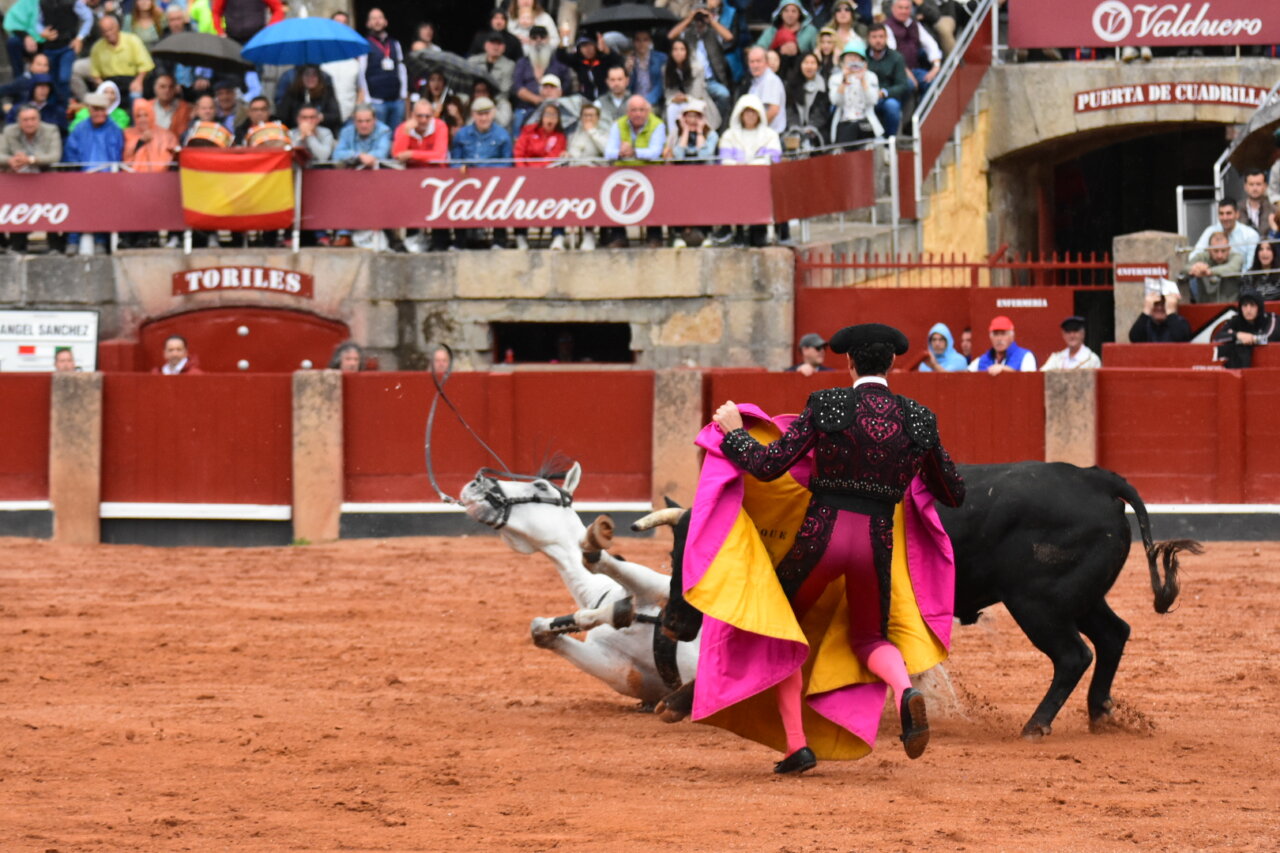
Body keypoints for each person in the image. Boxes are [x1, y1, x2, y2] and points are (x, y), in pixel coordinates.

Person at [701, 322, 965, 774]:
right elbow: (953, 492)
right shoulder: (920, 419)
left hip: (821, 536)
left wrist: (733, 433)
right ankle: (905, 691)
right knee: (870, 638)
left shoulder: (828, 404)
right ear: (893, 363)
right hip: (876, 543)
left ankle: (796, 746)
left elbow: (768, 466)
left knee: (781, 627)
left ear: (848, 362)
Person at [603, 95, 667, 248]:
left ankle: (654, 235)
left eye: (641, 110)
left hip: (650, 172)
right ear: (628, 112)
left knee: (655, 193)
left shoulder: (657, 124)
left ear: (648, 111)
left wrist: (635, 152)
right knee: (615, 195)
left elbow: (655, 152)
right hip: (623, 171)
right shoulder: (618, 124)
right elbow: (608, 152)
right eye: (634, 110)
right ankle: (618, 236)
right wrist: (620, 152)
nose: (638, 114)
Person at [450, 96, 513, 249]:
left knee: (500, 199)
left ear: (493, 113)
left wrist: (487, 172)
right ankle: (460, 241)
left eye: (486, 114)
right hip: (467, 182)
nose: (483, 118)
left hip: (495, 183)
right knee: (458, 197)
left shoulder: (502, 135)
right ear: (473, 115)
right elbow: (455, 161)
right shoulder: (462, 135)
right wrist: (461, 168)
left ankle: (499, 240)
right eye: (480, 114)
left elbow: (507, 163)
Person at [719, 94, 781, 247]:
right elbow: (725, 159)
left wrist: (750, 167)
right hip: (735, 181)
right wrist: (739, 168)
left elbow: (772, 157)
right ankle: (737, 232)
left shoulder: (770, 135)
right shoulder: (729, 135)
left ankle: (760, 231)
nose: (750, 116)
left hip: (761, 182)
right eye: (747, 112)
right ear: (740, 114)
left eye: (754, 112)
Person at [0, 104, 64, 254]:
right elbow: (1, 154)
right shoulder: (9, 131)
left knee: (51, 210)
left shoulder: (51, 130)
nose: (29, 123)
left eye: (33, 119)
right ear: (19, 122)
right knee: (17, 208)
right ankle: (17, 245)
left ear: (39, 119)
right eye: (25, 120)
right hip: (19, 179)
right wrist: (10, 160)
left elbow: (54, 156)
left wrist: (30, 160)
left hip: (45, 177)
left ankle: (54, 245)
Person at [332, 105, 396, 249]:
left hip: (378, 179)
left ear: (375, 120)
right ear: (354, 121)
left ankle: (387, 237)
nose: (364, 125)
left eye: (367, 121)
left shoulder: (384, 130)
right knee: (341, 191)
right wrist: (359, 156)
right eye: (360, 121)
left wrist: (366, 158)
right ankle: (344, 234)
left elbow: (381, 153)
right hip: (351, 178)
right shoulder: (347, 131)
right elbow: (337, 154)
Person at [393, 100, 450, 252]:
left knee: (439, 207)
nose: (423, 120)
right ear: (412, 115)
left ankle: (440, 243)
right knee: (412, 208)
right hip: (412, 178)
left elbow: (439, 155)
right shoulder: (404, 128)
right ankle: (412, 241)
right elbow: (398, 154)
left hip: (437, 176)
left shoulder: (440, 126)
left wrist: (411, 154)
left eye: (427, 116)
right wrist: (406, 133)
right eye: (419, 116)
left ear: (432, 115)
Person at [668, 2, 734, 125]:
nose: (699, 21)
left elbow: (729, 37)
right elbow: (671, 36)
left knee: (724, 94)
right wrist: (689, 19)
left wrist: (711, 20)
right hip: (691, 81)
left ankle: (718, 126)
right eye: (697, 17)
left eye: (701, 17)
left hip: (710, 80)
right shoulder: (687, 34)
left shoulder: (713, 32)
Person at [664, 100, 718, 249]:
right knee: (677, 200)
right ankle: (677, 234)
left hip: (704, 179)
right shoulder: (675, 134)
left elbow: (704, 155)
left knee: (704, 201)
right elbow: (678, 156)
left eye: (697, 116)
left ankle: (706, 233)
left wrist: (699, 132)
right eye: (690, 116)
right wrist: (685, 133)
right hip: (680, 179)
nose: (693, 120)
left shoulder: (711, 135)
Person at [513, 102, 567, 250]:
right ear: (541, 117)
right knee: (519, 198)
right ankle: (520, 235)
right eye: (548, 114)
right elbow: (519, 153)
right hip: (526, 177)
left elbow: (553, 158)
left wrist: (539, 170)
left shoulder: (560, 137)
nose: (550, 118)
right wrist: (525, 173)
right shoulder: (528, 132)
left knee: (560, 196)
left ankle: (558, 235)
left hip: (549, 179)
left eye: (554, 115)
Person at [34, 0, 93, 106]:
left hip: (67, 46)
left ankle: (66, 105)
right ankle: (55, 106)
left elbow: (88, 17)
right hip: (50, 48)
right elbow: (37, 22)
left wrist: (80, 37)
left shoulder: (73, 2)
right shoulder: (42, 2)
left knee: (64, 78)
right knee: (51, 80)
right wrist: (42, 32)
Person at [358, 7, 408, 133]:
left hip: (396, 100)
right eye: (373, 18)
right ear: (368, 23)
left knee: (397, 136)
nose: (377, 21)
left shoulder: (395, 43)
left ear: (385, 22)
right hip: (376, 101)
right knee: (380, 135)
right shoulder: (364, 44)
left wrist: (403, 93)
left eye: (380, 18)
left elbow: (402, 68)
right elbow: (361, 72)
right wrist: (367, 98)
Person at [511, 25, 570, 128]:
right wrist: (537, 99)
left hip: (555, 108)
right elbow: (517, 86)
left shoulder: (558, 61)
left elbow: (567, 83)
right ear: (529, 40)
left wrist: (555, 95)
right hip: (526, 107)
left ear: (548, 39)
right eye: (534, 38)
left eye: (542, 37)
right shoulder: (522, 63)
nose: (538, 40)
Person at [89, 13, 153, 105]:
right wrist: (103, 87)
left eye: (111, 29)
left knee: (136, 93)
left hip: (131, 80)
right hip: (110, 83)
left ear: (118, 27)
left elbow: (146, 65)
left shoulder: (133, 40)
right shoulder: (97, 48)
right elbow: (95, 74)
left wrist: (138, 81)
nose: (108, 33)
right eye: (105, 31)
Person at [662, 37, 721, 134]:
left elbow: (697, 93)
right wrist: (674, 98)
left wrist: (686, 98)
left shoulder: (697, 68)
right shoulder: (666, 70)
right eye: (675, 49)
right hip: (677, 101)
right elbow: (668, 91)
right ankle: (673, 137)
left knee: (690, 108)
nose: (678, 53)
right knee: (672, 108)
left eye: (682, 49)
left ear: (687, 52)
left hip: (695, 99)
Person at [884, 0, 942, 97]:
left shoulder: (914, 24)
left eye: (907, 8)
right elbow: (892, 55)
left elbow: (930, 43)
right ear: (893, 9)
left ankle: (926, 105)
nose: (904, 11)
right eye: (900, 8)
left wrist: (936, 67)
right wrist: (909, 75)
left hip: (914, 68)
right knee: (910, 85)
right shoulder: (887, 26)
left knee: (932, 81)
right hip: (897, 73)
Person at [828, 42, 882, 145]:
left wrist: (863, 81)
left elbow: (873, 101)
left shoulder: (871, 77)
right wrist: (844, 81)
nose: (853, 60)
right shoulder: (835, 78)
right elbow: (836, 101)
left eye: (856, 57)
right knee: (848, 129)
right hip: (844, 120)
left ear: (863, 61)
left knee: (856, 127)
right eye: (849, 57)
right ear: (843, 60)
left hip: (865, 121)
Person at [865, 22, 910, 137]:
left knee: (892, 106)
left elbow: (902, 85)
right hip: (865, 96)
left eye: (881, 37)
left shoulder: (896, 57)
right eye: (874, 37)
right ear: (868, 39)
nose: (878, 40)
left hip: (887, 97)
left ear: (886, 38)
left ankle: (890, 140)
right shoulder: (862, 57)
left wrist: (884, 92)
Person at [1212, 288, 1275, 369]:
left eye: (1252, 305)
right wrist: (1237, 335)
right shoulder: (1236, 320)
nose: (1248, 310)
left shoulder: (1271, 319)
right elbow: (1217, 337)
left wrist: (1251, 338)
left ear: (1259, 307)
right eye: (1245, 306)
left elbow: (1269, 337)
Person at [756, 0, 817, 79]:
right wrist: (777, 51)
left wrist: (798, 49)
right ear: (781, 13)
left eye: (794, 11)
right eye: (786, 11)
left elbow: (817, 51)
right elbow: (758, 50)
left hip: (803, 75)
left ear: (799, 13)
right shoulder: (772, 31)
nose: (790, 14)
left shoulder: (810, 31)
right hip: (776, 75)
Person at [1194, 198, 1260, 270]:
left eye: (1228, 213)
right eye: (1221, 214)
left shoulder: (1250, 235)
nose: (1225, 218)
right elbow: (1194, 254)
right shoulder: (1210, 231)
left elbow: (1251, 264)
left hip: (1240, 275)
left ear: (1237, 214)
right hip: (1211, 274)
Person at [1185, 231, 1244, 303]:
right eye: (1216, 251)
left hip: (1231, 306)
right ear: (1209, 250)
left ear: (1229, 249)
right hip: (1205, 306)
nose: (1219, 255)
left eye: (1223, 251)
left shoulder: (1236, 256)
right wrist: (1195, 268)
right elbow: (1184, 268)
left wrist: (1208, 271)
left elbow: (1233, 268)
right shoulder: (1202, 256)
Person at [562, 33, 621, 103]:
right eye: (584, 46)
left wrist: (606, 50)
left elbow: (618, 61)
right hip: (587, 101)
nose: (587, 49)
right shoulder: (578, 62)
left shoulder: (604, 59)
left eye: (590, 45)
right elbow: (561, 56)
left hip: (606, 100)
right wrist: (564, 39)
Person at [967, 315, 1037, 373]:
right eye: (996, 334)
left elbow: (1030, 381)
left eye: (1003, 334)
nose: (999, 338)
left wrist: (1006, 370)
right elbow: (964, 377)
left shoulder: (1026, 356)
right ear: (990, 337)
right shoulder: (981, 360)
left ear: (1012, 336)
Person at [786, 52, 831, 141]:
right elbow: (790, 109)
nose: (809, 66)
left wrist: (811, 127)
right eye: (806, 63)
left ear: (818, 66)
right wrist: (795, 127)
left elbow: (823, 111)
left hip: (817, 130)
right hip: (795, 129)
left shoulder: (823, 84)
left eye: (813, 63)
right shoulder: (792, 84)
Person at [743, 45, 787, 135]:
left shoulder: (770, 80)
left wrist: (755, 129)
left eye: (758, 61)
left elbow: (773, 110)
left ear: (766, 63)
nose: (755, 65)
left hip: (771, 135)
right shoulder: (756, 81)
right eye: (752, 62)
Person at [468, 31, 516, 110]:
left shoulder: (509, 65)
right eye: (492, 43)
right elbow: (467, 84)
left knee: (505, 105)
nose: (496, 47)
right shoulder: (473, 61)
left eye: (499, 44)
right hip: (473, 99)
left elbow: (505, 91)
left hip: (496, 102)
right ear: (485, 45)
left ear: (504, 47)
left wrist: (488, 102)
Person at [627, 29, 667, 107]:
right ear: (633, 42)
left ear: (650, 42)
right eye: (638, 40)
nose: (641, 43)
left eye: (645, 40)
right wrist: (627, 72)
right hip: (634, 102)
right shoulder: (629, 60)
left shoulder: (661, 58)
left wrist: (647, 101)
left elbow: (661, 84)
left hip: (654, 102)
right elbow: (627, 88)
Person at [1240, 169, 1273, 235]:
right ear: (1245, 187)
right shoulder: (1236, 210)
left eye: (1258, 184)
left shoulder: (1274, 210)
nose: (1255, 188)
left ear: (1265, 186)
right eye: (1251, 184)